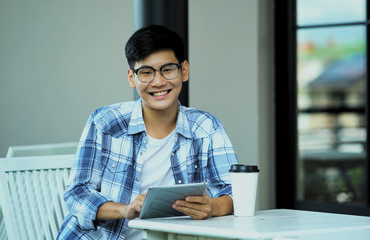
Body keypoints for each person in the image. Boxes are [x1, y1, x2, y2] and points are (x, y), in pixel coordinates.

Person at [57, 25, 238, 240]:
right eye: (146, 73)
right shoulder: (105, 122)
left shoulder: (207, 127)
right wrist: (125, 210)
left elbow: (235, 192)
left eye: (168, 69)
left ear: (184, 71)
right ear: (131, 78)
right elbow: (76, 192)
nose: (159, 81)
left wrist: (213, 206)